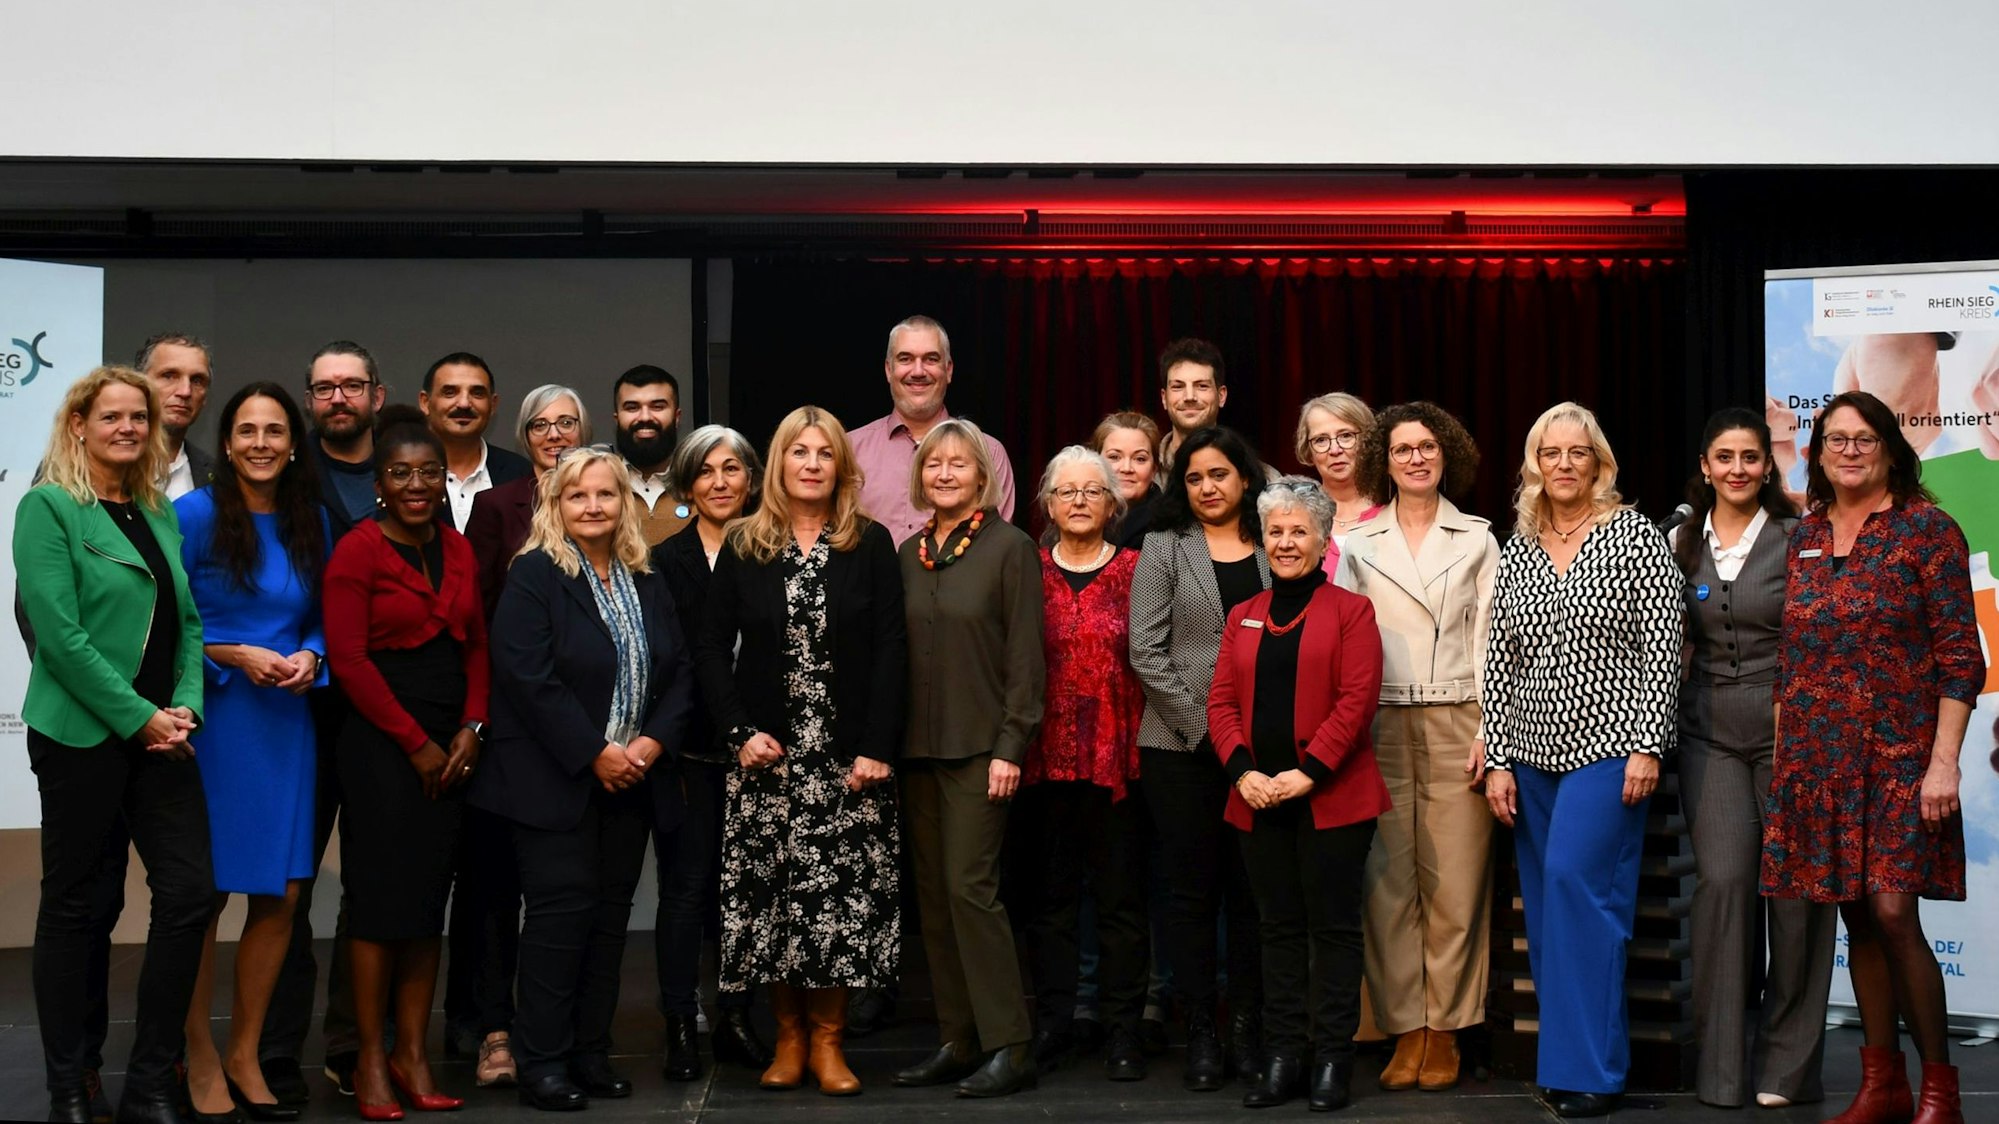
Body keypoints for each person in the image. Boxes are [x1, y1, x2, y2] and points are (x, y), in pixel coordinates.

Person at [1763, 390, 1980, 1124]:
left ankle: (1939, 1091)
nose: (1849, 451)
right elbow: (1792, 658)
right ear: (1818, 452)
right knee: (1856, 917)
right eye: (1836, 439)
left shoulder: (1927, 531)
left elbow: (1961, 660)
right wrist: (1784, 757)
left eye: (1864, 439)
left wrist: (1944, 763)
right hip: (1817, 762)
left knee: (1892, 912)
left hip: (1900, 760)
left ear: (1889, 449)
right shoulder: (1806, 533)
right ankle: (1882, 1085)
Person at [468, 445, 694, 1112]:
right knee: (559, 919)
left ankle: (591, 1053)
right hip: (553, 780)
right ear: (555, 504)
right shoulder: (534, 574)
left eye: (605, 494)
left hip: (632, 778)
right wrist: (595, 751)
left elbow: (679, 670)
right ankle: (542, 1062)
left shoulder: (645, 577)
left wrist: (651, 742)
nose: (593, 506)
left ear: (624, 503)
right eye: (578, 495)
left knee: (608, 919)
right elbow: (527, 678)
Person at [694, 406, 907, 1097]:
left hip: (847, 766)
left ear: (841, 467)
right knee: (773, 905)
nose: (811, 464)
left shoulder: (869, 543)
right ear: (778, 464)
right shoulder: (745, 543)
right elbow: (709, 648)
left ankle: (828, 1041)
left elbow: (892, 650)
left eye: (824, 453)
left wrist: (876, 746)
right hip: (769, 760)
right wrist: (737, 732)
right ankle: (788, 1037)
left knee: (839, 906)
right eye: (798, 451)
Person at [16, 367, 209, 1124]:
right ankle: (72, 1083)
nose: (128, 428)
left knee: (189, 895)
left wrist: (185, 704)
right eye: (111, 416)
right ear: (79, 425)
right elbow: (58, 637)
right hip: (82, 736)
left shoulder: (157, 509)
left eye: (139, 417)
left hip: (164, 735)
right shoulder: (49, 506)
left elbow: (187, 622)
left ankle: (154, 1078)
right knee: (80, 907)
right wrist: (139, 717)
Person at [1478, 401, 1681, 1119]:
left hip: (1611, 747)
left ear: (1599, 463)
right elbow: (1500, 661)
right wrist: (1498, 758)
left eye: (1577, 452)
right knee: (1545, 907)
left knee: (1578, 891)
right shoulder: (1519, 548)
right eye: (1551, 452)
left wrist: (1647, 744)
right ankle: (1563, 1063)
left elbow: (1661, 650)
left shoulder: (1635, 538)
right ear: (1534, 464)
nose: (1564, 464)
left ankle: (1594, 1070)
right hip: (1530, 752)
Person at [322, 405, 489, 1120]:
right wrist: (415, 743)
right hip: (380, 746)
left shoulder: (458, 549)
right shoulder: (356, 551)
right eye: (400, 473)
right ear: (379, 486)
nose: (416, 485)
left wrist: (472, 726)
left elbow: (476, 644)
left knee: (426, 905)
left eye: (428, 473)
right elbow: (349, 661)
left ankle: (413, 1054)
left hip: (451, 745)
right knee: (378, 906)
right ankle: (369, 1057)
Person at [1666, 407, 1834, 1110]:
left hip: (1791, 730)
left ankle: (1786, 1070)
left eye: (1749, 457)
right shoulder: (1678, 540)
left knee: (1795, 897)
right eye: (1724, 457)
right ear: (1705, 468)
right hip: (1709, 733)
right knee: (1725, 885)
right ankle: (1722, 1070)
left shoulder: (1802, 538)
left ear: (1769, 466)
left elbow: (1825, 637)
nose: (1737, 469)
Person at [175, 384, 330, 1124]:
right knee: (203, 896)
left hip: (285, 722)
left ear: (293, 444)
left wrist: (311, 653)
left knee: (283, 894)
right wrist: (231, 653)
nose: (261, 443)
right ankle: (197, 1053)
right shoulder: (191, 515)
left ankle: (244, 1052)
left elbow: (324, 616)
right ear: (228, 443)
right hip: (215, 721)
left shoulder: (311, 519)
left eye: (274, 431)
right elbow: (164, 622)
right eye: (247, 431)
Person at [1209, 477, 1388, 1111]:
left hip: (1332, 796)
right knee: (1277, 931)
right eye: (1276, 531)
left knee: (1334, 931)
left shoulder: (1352, 611)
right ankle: (1283, 1058)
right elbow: (1221, 703)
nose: (1286, 542)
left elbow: (1357, 701)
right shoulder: (1243, 613)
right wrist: (1243, 774)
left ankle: (1332, 1060)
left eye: (1299, 531)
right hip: (1258, 798)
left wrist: (1309, 771)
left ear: (1322, 539)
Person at [1335, 402, 1498, 1094]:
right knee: (1388, 884)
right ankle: (1405, 1027)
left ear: (1446, 453)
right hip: (1379, 725)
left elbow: (1493, 641)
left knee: (1455, 884)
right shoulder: (1358, 546)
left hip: (1459, 719)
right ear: (1384, 460)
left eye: (1427, 446)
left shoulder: (1478, 539)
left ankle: (1446, 1028)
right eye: (1402, 449)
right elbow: (1343, 644)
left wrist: (1493, 731)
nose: (1415, 458)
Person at [894, 418, 1046, 1099]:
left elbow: (1026, 658)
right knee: (933, 898)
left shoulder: (1011, 548)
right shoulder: (909, 552)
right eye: (934, 464)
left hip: (981, 748)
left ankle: (1010, 1044)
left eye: (959, 463)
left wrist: (1012, 745)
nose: (946, 473)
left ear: (982, 476)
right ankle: (958, 1039)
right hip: (916, 751)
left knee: (969, 889)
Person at [445, 384, 588, 1086]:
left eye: (567, 424)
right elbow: (475, 615)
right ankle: (493, 1031)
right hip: (510, 726)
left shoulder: (603, 501)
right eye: (541, 426)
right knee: (494, 890)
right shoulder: (500, 506)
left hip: (584, 727)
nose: (555, 436)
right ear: (523, 435)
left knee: (567, 896)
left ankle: (559, 1037)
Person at [1127, 425, 1270, 1091]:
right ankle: (1201, 1036)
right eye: (1193, 478)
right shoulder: (1163, 544)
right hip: (1181, 749)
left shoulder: (1274, 538)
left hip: (1264, 751)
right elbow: (1146, 651)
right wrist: (1213, 735)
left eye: (1219, 474)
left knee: (1251, 893)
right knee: (1190, 894)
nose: (1207, 487)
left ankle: (1245, 1029)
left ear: (1244, 478)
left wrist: (1250, 742)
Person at [260, 341, 385, 1103]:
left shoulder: (408, 469)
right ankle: (277, 1050)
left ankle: (354, 1044)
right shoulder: (284, 471)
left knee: (371, 886)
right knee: (288, 887)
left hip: (381, 715)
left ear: (376, 395)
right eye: (325, 388)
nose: (338, 398)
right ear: (309, 399)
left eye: (351, 386)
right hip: (297, 709)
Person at [1017, 446, 1148, 1082]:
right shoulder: (1028, 573)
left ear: (1112, 504)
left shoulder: (1137, 569)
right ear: (1047, 503)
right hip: (1043, 761)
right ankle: (1055, 1025)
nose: (1078, 501)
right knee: (1052, 903)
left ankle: (1123, 1030)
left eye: (1092, 491)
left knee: (1121, 903)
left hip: (1118, 760)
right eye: (1066, 491)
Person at [650, 426, 773, 1081]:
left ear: (751, 479)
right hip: (690, 752)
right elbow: (665, 663)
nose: (719, 482)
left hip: (764, 751)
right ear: (687, 484)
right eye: (705, 471)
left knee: (746, 893)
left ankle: (735, 1017)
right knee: (686, 888)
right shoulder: (662, 562)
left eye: (732, 469)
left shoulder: (772, 551)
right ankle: (679, 1022)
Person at [850, 315, 1016, 546]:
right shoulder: (850, 450)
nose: (918, 371)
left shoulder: (988, 452)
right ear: (889, 370)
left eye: (931, 359)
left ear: (948, 370)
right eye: (905, 359)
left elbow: (999, 549)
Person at [417, 351, 531, 530]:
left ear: (493, 404)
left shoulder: (520, 474)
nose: (464, 403)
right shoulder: (402, 475)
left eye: (477, 393)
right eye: (450, 392)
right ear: (425, 402)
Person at [1296, 392, 1382, 574]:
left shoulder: (1396, 510)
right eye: (1321, 440)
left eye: (1346, 436)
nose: (1335, 450)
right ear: (1309, 451)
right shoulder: (1295, 515)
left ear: (1368, 441)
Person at [612, 364, 694, 545]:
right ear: (617, 419)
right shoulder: (598, 485)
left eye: (657, 406)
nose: (645, 417)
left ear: (677, 417)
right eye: (632, 407)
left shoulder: (700, 483)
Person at [136, 331, 217, 498]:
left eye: (197, 380)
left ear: (205, 398)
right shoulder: (104, 466)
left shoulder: (218, 477)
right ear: (139, 385)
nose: (185, 391)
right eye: (169, 376)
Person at [1089, 411, 1163, 549]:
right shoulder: (1076, 517)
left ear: (1154, 469)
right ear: (1095, 464)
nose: (1126, 468)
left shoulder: (1174, 528)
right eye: (1114, 457)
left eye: (1140, 459)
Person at [1155, 338, 1230, 469]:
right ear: (1164, 398)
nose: (1189, 397)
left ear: (1221, 396)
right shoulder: (1141, 472)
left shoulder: (1256, 475)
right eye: (1178, 387)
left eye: (1202, 386)